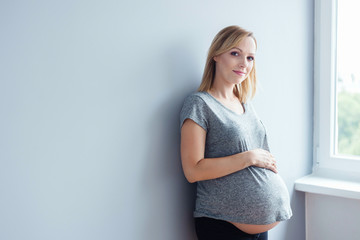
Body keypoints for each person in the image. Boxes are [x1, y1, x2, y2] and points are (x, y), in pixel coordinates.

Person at [179, 25, 292, 240]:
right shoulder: (199, 104)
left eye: (250, 57)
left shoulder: (245, 104)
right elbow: (193, 170)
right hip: (222, 225)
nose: (244, 64)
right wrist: (249, 157)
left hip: (259, 227)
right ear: (216, 56)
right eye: (235, 54)